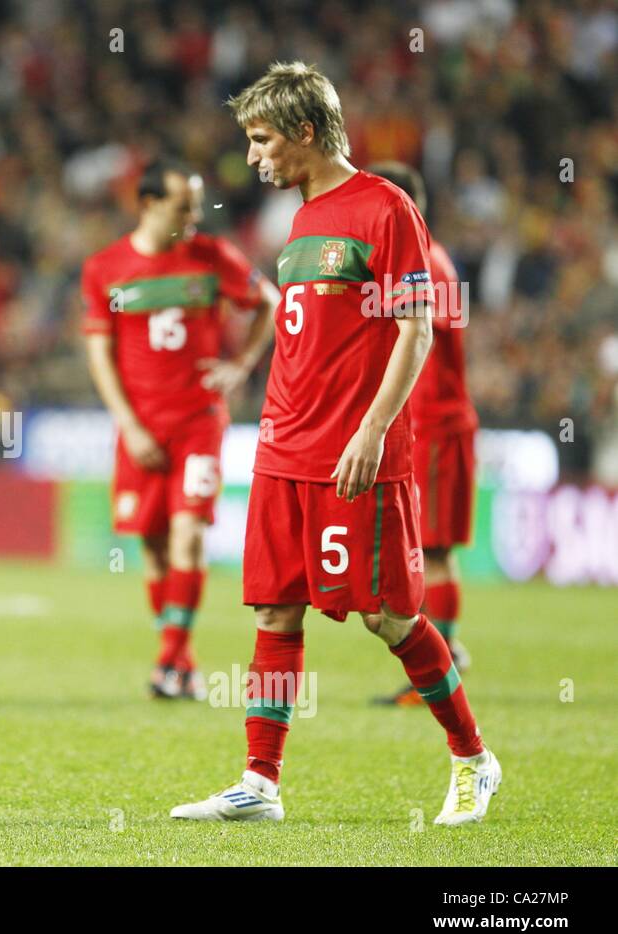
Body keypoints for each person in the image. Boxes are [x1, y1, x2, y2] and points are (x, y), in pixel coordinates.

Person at [169, 62, 499, 826]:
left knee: (390, 618)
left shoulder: (386, 210)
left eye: (261, 140)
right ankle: (259, 782)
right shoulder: (303, 218)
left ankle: (473, 759)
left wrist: (371, 431)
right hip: (285, 451)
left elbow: (415, 330)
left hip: (354, 454)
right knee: (276, 612)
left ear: (306, 133)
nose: (252, 159)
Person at [82, 161, 277, 699]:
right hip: (140, 427)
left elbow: (269, 302)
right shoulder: (105, 268)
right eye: (182, 205)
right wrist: (129, 425)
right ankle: (180, 662)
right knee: (152, 544)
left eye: (196, 204)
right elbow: (100, 354)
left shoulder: (212, 258)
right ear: (146, 204)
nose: (195, 215)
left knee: (190, 534)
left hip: (198, 422)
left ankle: (167, 663)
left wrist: (239, 366)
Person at [367, 161, 477, 707]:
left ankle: (441, 659)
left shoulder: (423, 264)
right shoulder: (434, 260)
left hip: (433, 423)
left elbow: (415, 334)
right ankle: (448, 650)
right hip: (441, 422)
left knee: (429, 547)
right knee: (436, 547)